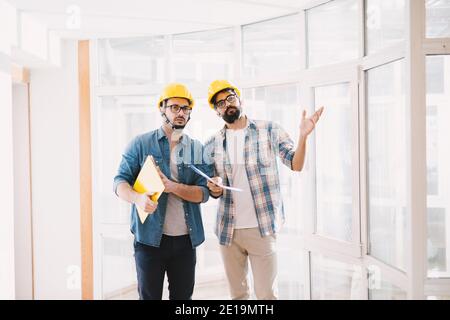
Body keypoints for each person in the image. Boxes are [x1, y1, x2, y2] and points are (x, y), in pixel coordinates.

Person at [204, 80, 324, 300]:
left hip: (262, 228)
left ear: (240, 99)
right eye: (220, 103)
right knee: (238, 296)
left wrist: (303, 136)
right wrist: (214, 188)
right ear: (216, 111)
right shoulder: (211, 143)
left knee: (266, 295)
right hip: (227, 229)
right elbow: (214, 190)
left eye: (230, 98)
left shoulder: (268, 129)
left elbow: (295, 164)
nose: (226, 104)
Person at [113, 83, 210, 300]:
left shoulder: (196, 148)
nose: (181, 113)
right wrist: (137, 198)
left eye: (186, 109)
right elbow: (119, 182)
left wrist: (172, 186)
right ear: (162, 110)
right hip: (149, 241)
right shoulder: (141, 143)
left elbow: (204, 193)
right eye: (175, 107)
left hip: (186, 241)